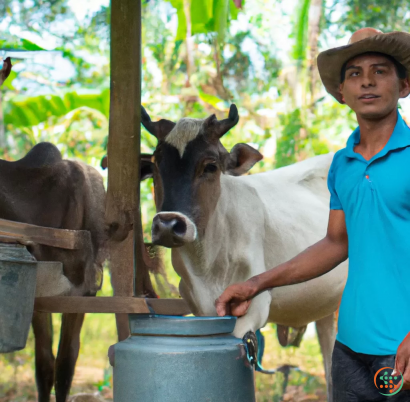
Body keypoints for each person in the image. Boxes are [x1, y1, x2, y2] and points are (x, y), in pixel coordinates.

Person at [215, 28, 410, 401]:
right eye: (354, 73)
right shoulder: (343, 165)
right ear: (341, 93)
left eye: (380, 70)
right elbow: (336, 243)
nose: (367, 80)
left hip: (402, 346)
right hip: (350, 349)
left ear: (404, 86)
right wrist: (258, 283)